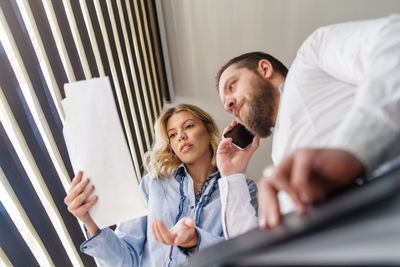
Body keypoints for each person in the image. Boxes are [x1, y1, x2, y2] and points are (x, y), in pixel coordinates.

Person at [216, 14, 400, 230]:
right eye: (225, 104)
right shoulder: (280, 157)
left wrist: (353, 151)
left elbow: (393, 37)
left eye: (232, 85)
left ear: (264, 69)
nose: (228, 104)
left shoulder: (310, 56)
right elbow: (248, 247)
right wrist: (232, 176)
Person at [64, 104, 257, 266]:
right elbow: (126, 258)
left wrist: (195, 240)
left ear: (208, 131)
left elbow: (241, 253)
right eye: (172, 135)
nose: (180, 136)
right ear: (170, 145)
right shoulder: (152, 184)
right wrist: (91, 223)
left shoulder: (242, 187)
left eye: (189, 126)